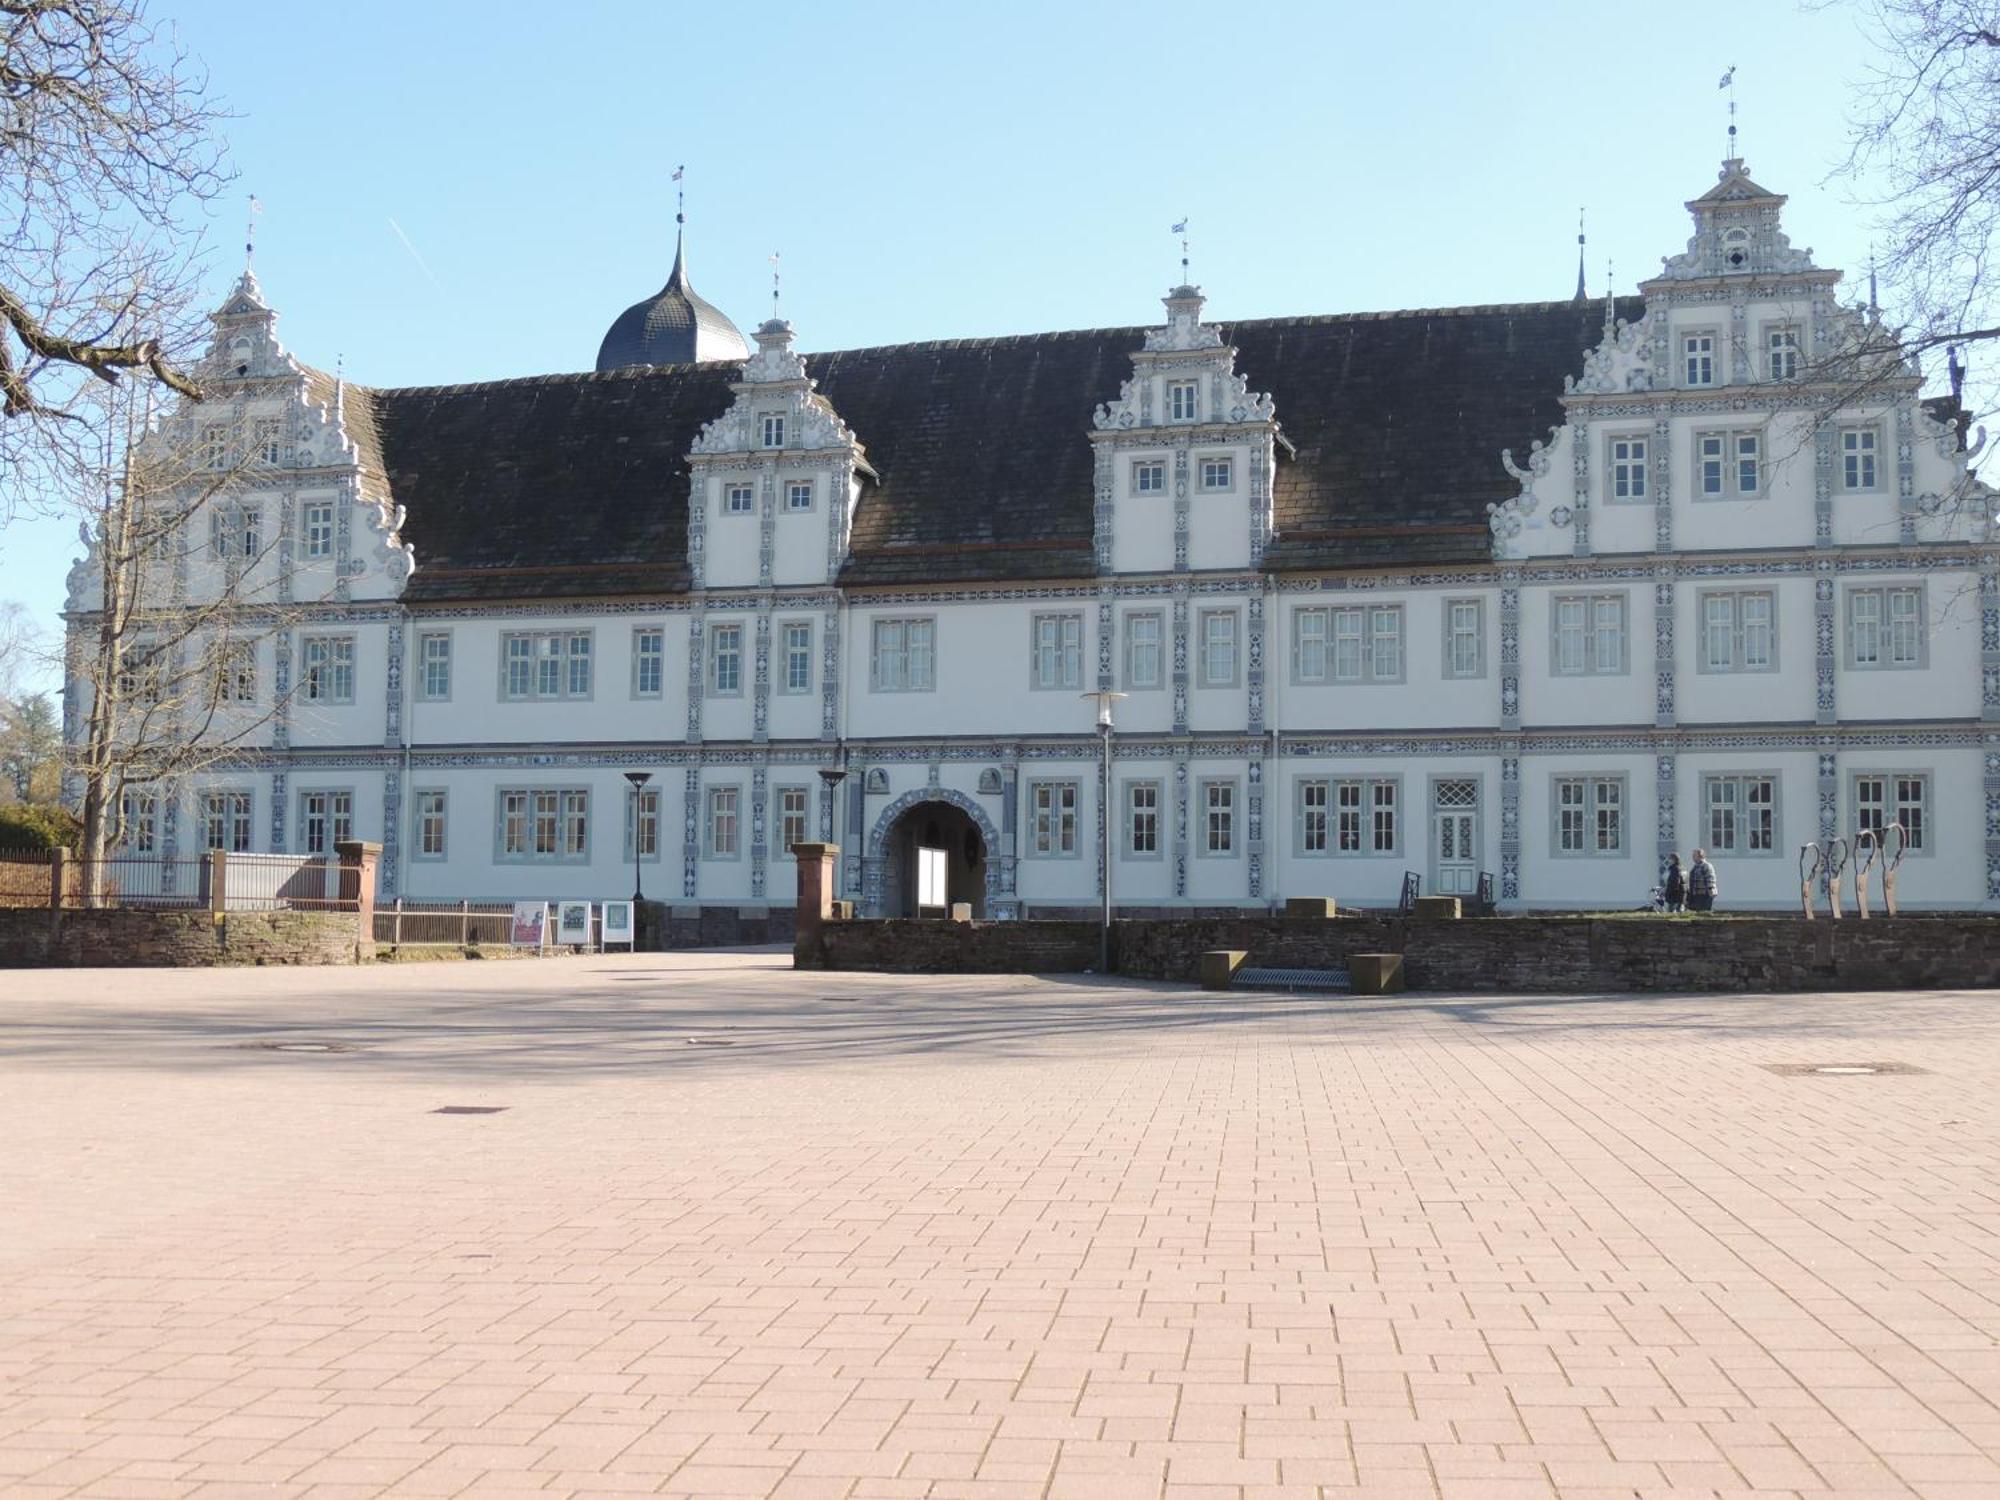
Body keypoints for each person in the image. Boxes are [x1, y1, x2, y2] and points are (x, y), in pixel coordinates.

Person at [1687, 848, 1718, 913]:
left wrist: (1711, 892)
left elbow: (1710, 879)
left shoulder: (1706, 866)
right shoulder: (1695, 866)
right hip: (1696, 894)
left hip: (1704, 894)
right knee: (1696, 912)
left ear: (1700, 856)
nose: (1692, 857)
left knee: (1704, 912)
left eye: (1694, 855)